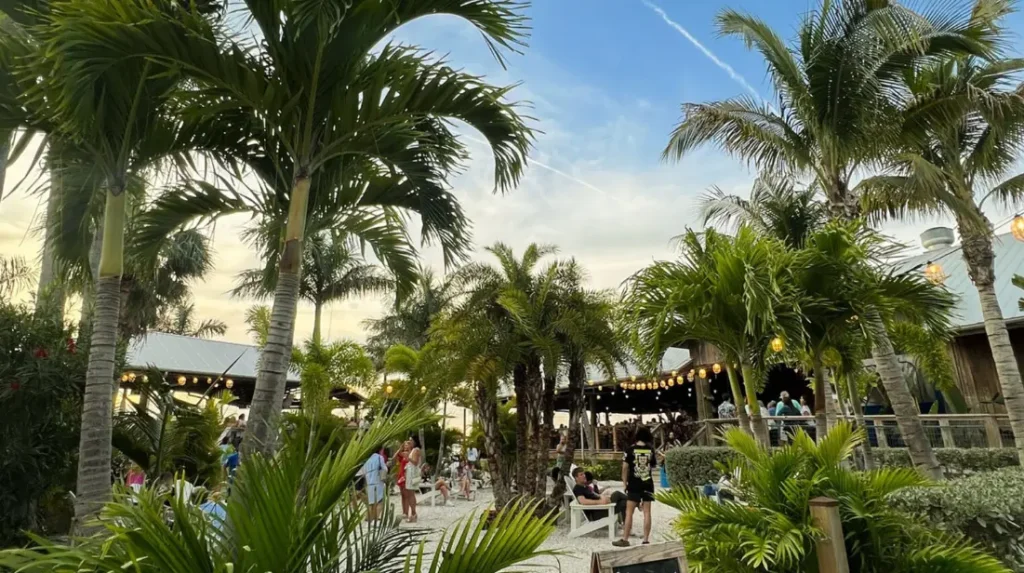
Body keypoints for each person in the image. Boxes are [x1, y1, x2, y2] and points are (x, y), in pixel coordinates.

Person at [614, 427, 656, 547]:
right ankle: (646, 539)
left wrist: (624, 482)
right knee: (647, 512)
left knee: (629, 512)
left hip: (634, 483)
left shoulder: (630, 449)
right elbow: (652, 466)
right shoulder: (651, 450)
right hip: (648, 483)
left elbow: (625, 468)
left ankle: (625, 539)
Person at [358, 446, 388, 520]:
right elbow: (384, 469)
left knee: (371, 502)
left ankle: (368, 517)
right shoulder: (379, 457)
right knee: (380, 501)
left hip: (369, 483)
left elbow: (362, 471)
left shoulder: (366, 458)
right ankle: (375, 517)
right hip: (378, 482)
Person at [403, 436, 423, 522]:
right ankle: (413, 513)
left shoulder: (416, 450)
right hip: (410, 474)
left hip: (412, 474)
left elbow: (415, 462)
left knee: (411, 494)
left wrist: (408, 457)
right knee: (410, 494)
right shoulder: (414, 450)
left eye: (411, 440)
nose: (410, 441)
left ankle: (413, 514)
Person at [396, 441, 410, 519]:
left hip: (406, 475)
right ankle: (404, 512)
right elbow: (395, 456)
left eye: (407, 445)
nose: (405, 446)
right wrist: (400, 448)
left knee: (406, 495)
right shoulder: (403, 454)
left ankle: (406, 512)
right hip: (400, 475)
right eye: (404, 445)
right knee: (402, 495)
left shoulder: (409, 454)